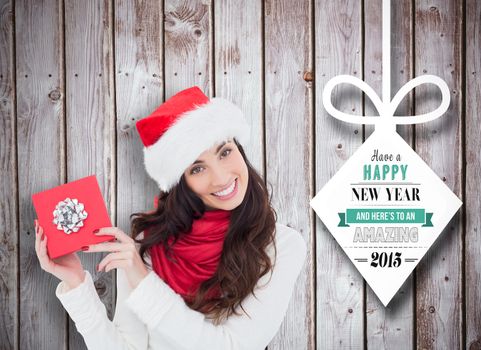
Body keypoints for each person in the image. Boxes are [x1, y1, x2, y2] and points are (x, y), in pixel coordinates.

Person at [34, 86, 307, 350]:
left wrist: (144, 283)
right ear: (181, 182)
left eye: (225, 152)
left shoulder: (282, 245)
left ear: (239, 148)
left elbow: (234, 346)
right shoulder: (148, 245)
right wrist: (76, 283)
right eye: (198, 168)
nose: (222, 177)